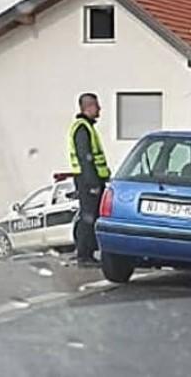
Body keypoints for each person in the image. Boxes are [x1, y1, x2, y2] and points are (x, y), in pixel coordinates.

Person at [67, 93, 110, 267]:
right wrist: (93, 183)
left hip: (90, 179)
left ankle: (86, 253)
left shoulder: (87, 127)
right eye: (96, 106)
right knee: (88, 217)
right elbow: (86, 158)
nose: (99, 109)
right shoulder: (82, 128)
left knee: (90, 216)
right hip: (87, 181)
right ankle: (84, 255)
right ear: (88, 107)